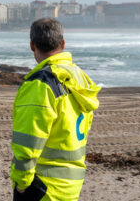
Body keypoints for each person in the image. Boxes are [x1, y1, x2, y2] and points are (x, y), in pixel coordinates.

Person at [10, 18, 101, 201]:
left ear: (32, 45)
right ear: (63, 43)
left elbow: (27, 144)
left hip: (43, 188)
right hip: (71, 186)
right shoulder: (80, 78)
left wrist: (22, 183)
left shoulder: (40, 84)